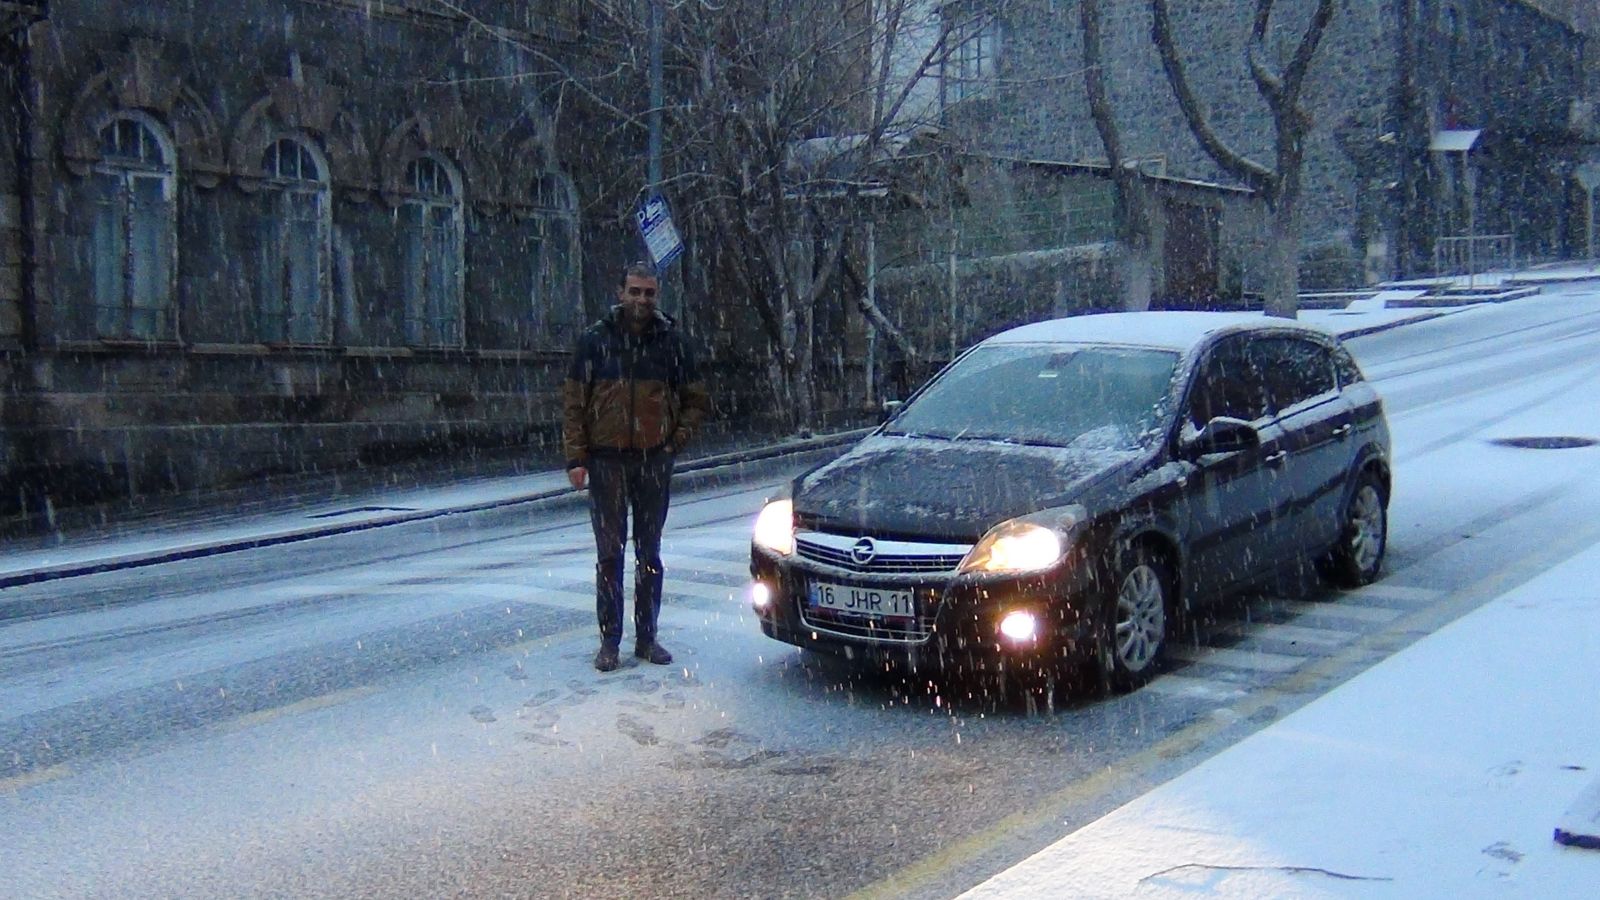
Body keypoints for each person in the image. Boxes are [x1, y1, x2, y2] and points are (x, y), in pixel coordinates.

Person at [563, 261, 712, 672]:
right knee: (609, 555)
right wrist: (576, 457)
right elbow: (574, 403)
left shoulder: (672, 343)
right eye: (635, 291)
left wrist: (672, 443)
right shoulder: (595, 341)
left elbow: (696, 401)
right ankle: (609, 641)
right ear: (620, 292)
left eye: (648, 293)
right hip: (606, 460)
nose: (641, 300)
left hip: (652, 461)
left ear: (656, 295)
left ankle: (647, 638)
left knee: (650, 553)